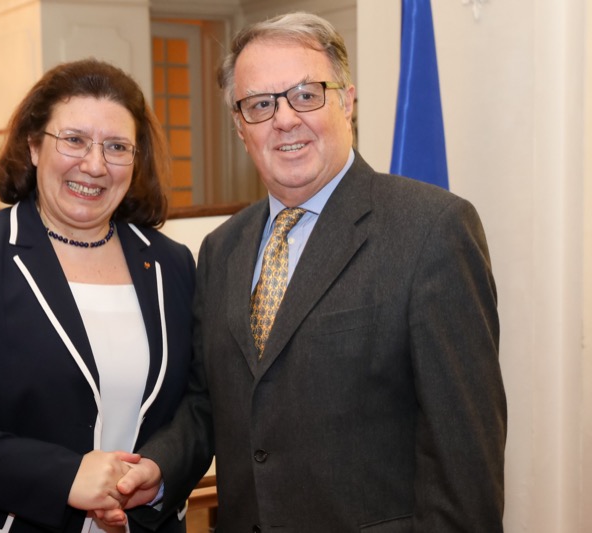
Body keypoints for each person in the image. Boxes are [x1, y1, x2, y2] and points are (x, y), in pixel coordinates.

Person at [111, 11, 507, 532]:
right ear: (240, 126)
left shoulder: (431, 231)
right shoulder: (221, 250)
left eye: (305, 94)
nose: (284, 119)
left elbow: (464, 461)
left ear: (346, 101)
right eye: (260, 104)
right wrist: (159, 469)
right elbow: (212, 404)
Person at [0, 59, 195, 532]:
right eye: (73, 140)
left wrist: (161, 468)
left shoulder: (172, 263)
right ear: (33, 146)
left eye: (116, 147)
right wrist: (63, 477)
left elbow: (197, 401)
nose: (94, 165)